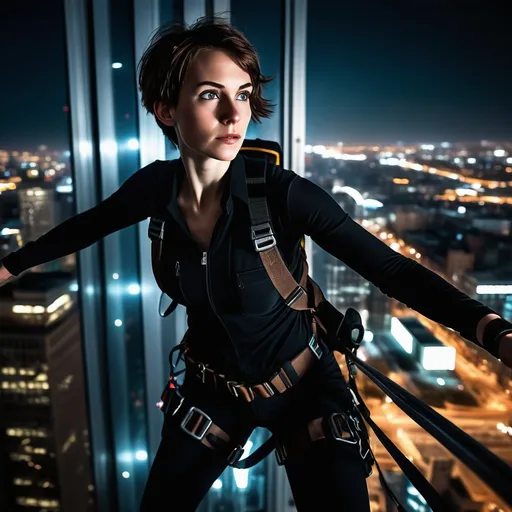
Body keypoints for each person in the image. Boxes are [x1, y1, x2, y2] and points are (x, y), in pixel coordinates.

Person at [1, 16, 512, 512]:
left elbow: (393, 271)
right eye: (210, 94)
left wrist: (492, 331)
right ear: (165, 110)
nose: (235, 113)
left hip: (304, 384)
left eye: (242, 93)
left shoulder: (284, 196)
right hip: (210, 388)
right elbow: (84, 227)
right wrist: (8, 268)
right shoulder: (155, 189)